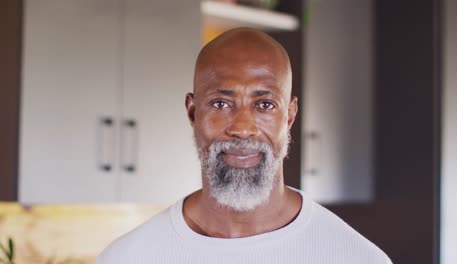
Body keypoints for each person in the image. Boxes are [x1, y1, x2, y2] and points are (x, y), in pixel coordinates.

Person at [98, 27, 392, 264]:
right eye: (221, 103)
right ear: (193, 112)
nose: (242, 128)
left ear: (289, 116)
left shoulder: (356, 258)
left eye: (264, 104)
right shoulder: (128, 257)